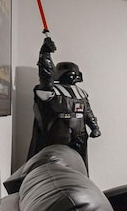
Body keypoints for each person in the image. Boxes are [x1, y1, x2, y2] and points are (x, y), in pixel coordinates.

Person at [27, 36, 101, 169]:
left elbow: (87, 112)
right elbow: (45, 75)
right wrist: (45, 55)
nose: (72, 76)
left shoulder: (81, 93)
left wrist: (95, 127)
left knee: (79, 164)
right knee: (52, 163)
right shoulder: (50, 90)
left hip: (80, 132)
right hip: (57, 132)